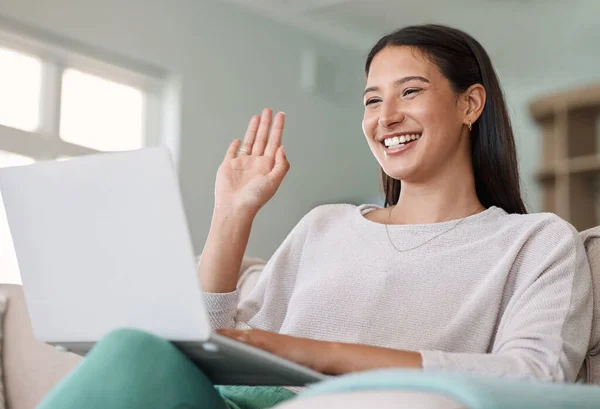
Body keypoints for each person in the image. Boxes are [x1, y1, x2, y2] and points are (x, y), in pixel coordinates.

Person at [38, 24, 592, 409]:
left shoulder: (534, 242)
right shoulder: (324, 226)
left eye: (410, 92)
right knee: (136, 347)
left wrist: (321, 354)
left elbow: (535, 375)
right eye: (372, 100)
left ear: (470, 104)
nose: (386, 116)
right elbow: (213, 343)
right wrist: (233, 214)